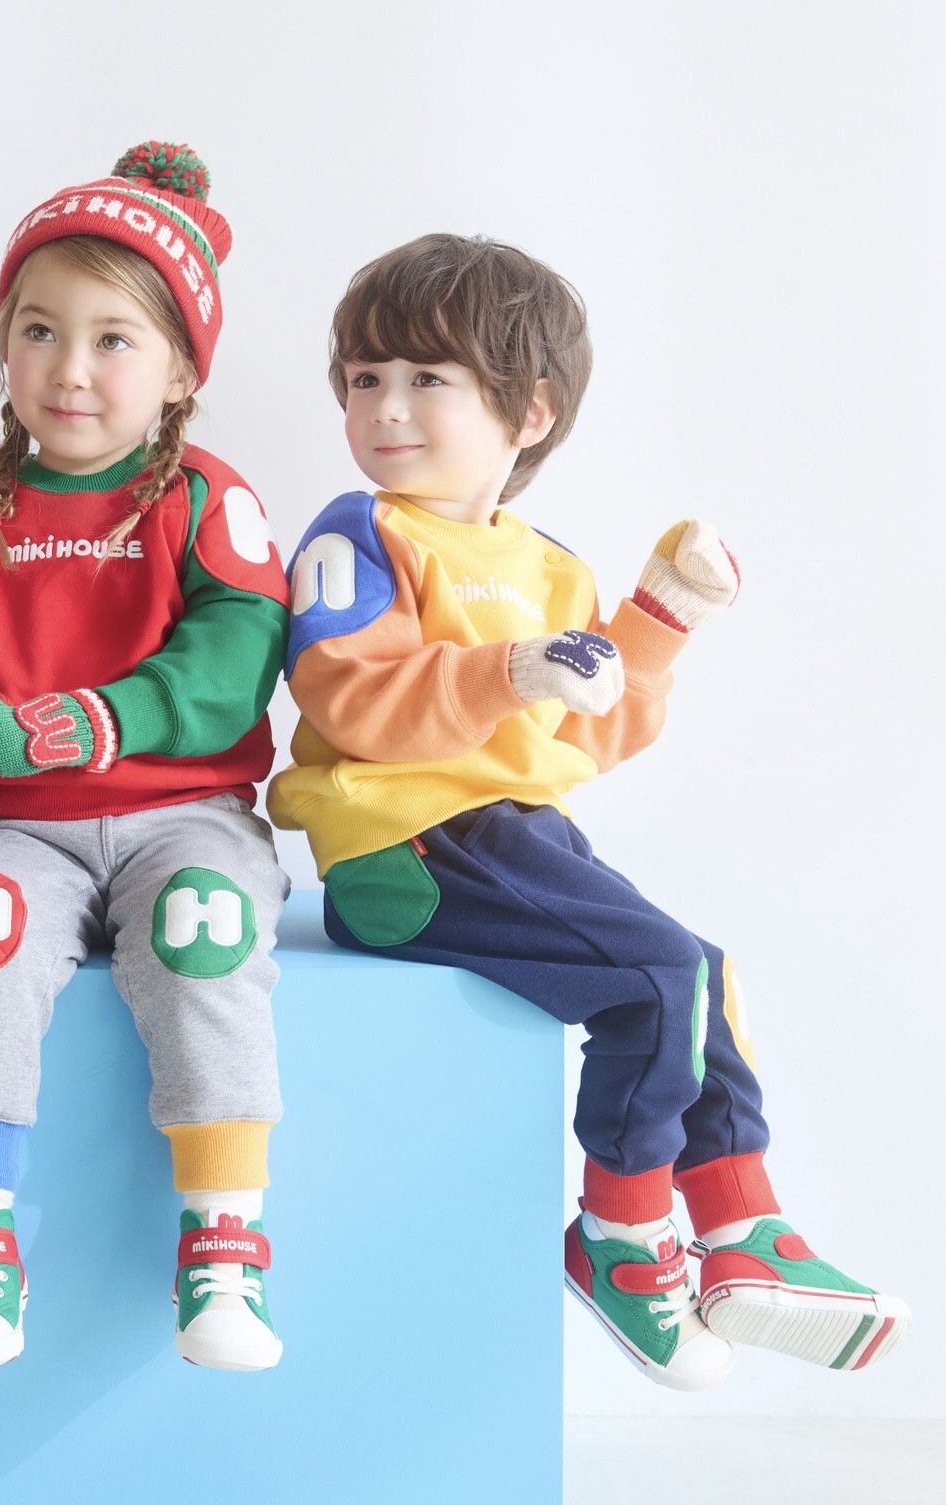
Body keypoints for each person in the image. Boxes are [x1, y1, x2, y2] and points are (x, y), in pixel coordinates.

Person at [268, 233, 909, 1388]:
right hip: (405, 847)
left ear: (528, 411)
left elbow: (580, 736)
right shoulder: (362, 534)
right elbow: (346, 696)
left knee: (701, 969)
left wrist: (653, 627)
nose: (384, 407)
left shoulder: (548, 567)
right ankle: (616, 1230)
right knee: (655, 974)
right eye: (364, 378)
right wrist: (507, 670)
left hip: (520, 834)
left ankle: (739, 1221)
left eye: (424, 377)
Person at [0, 143, 291, 1375]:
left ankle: (223, 1237)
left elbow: (239, 643)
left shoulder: (202, 497)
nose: (69, 368)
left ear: (179, 372)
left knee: (207, 926)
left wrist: (111, 716)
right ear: (4, 346)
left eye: (114, 339)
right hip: (11, 826)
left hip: (186, 813)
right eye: (39, 331)